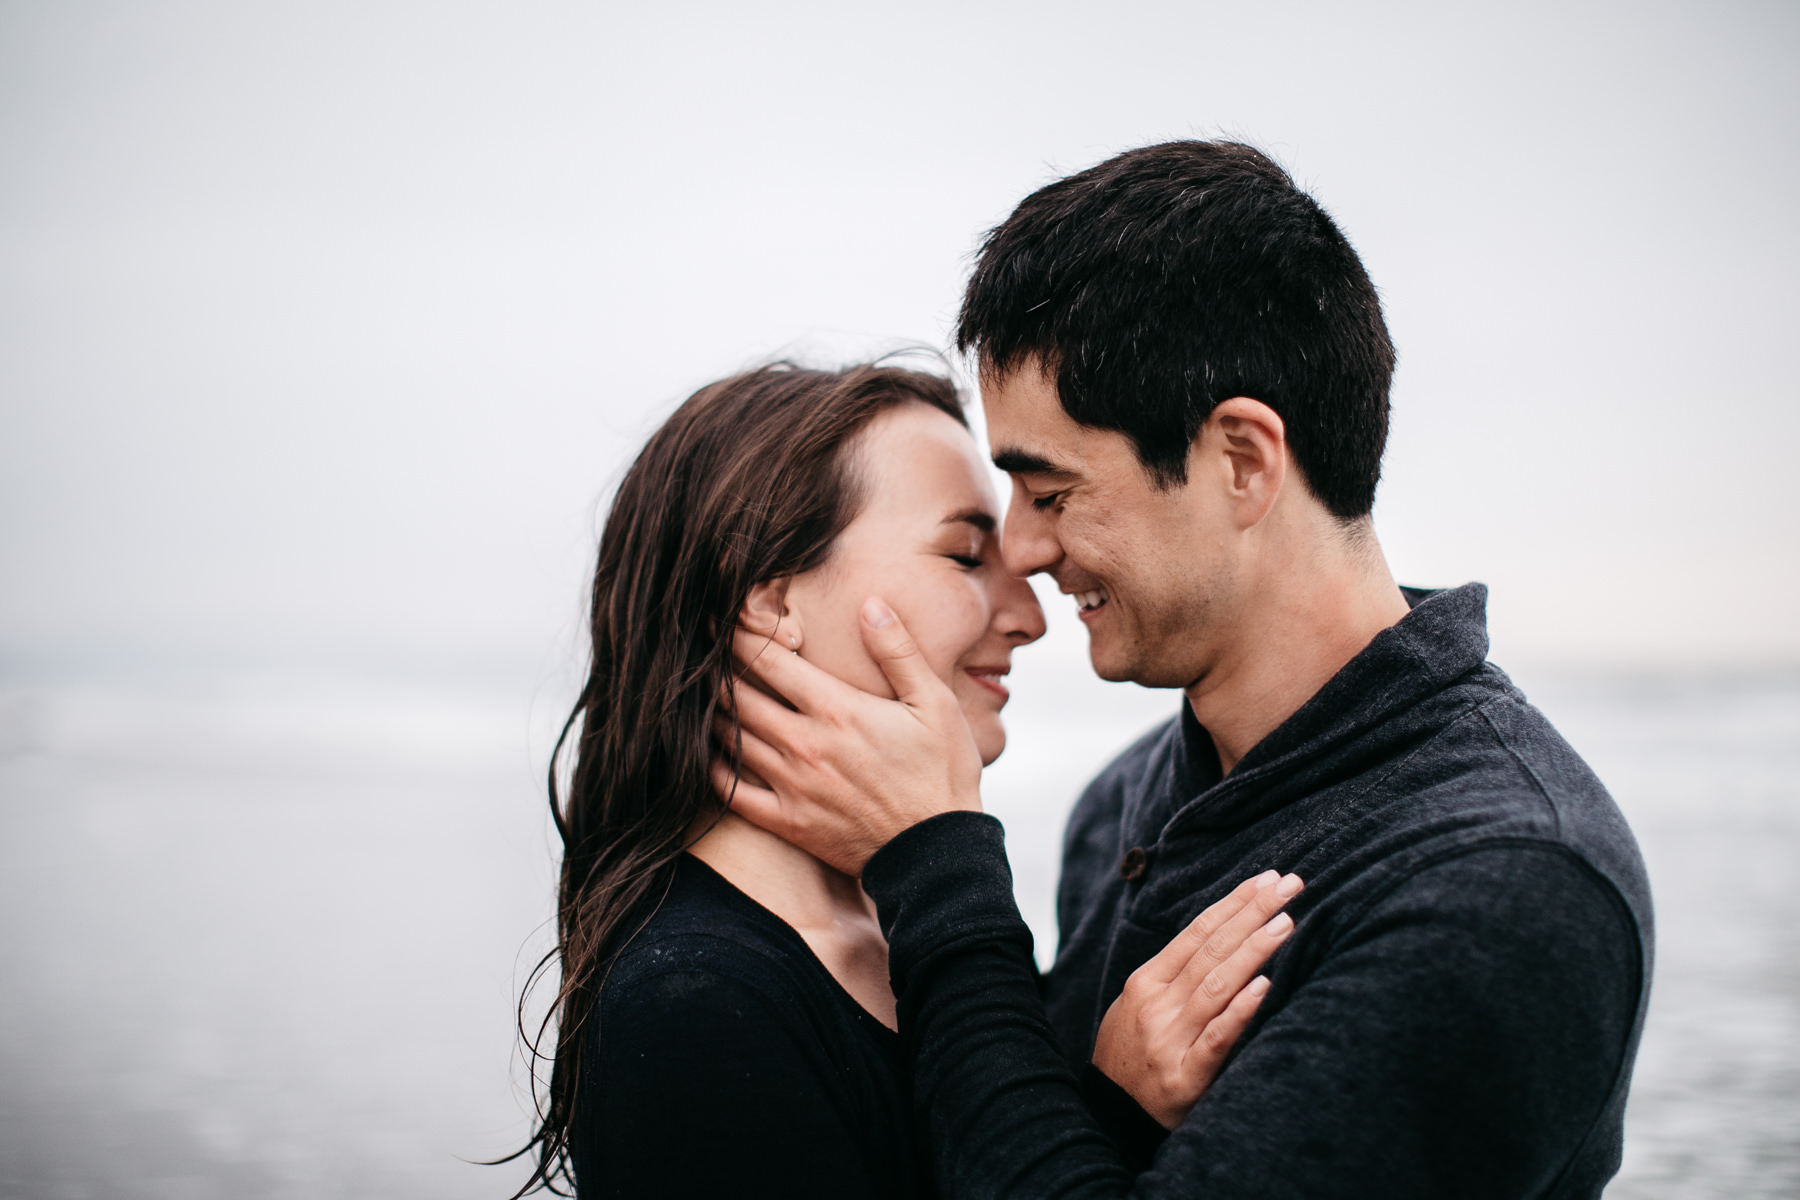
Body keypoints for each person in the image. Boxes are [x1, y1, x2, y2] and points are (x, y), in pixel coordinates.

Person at [723, 141, 1655, 1198]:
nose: (1022, 552)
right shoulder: (1123, 804)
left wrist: (939, 870)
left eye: (1054, 491)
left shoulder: (1504, 887)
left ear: (1242, 461)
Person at [511, 362, 1301, 1199]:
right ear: (770, 600)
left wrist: (1105, 1112)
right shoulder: (695, 1003)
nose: (1030, 616)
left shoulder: (902, 937)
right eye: (964, 556)